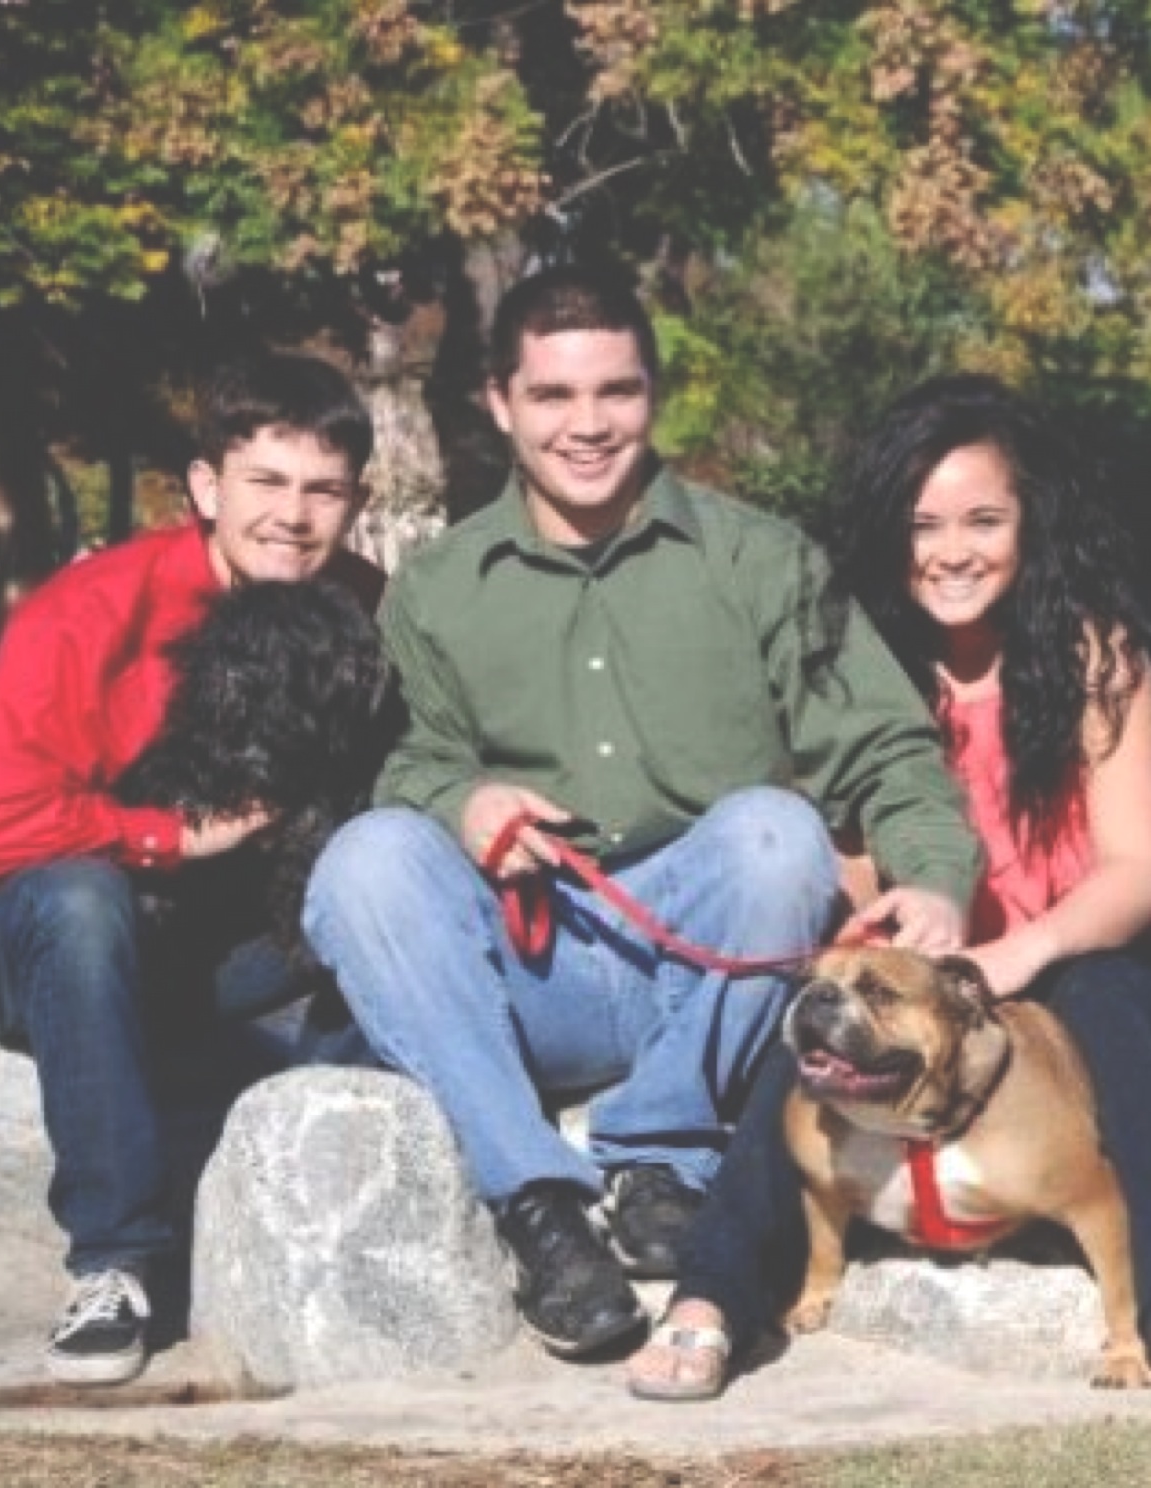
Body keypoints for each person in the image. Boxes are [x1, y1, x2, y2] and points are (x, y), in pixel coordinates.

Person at [301, 263, 979, 1365]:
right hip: (527, 966)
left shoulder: (760, 559)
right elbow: (402, 763)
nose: (587, 424)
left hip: (709, 969)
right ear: (501, 404)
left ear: (651, 395)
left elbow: (888, 748)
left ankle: (664, 1158)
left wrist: (937, 882)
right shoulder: (438, 587)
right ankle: (539, 1205)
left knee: (775, 831)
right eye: (554, 395)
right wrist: (463, 799)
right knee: (364, 862)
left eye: (614, 391)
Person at [624, 374, 1151, 1407]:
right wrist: (865, 925)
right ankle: (709, 1300)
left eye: (983, 521)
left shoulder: (1096, 653)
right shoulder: (857, 666)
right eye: (923, 525)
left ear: (1031, 525)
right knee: (802, 1046)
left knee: (1103, 1010)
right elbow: (848, 852)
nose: (951, 551)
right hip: (930, 978)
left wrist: (1015, 954)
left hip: (1100, 955)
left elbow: (1134, 873)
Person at [0, 353, 383, 1386]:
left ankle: (289, 1184)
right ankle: (116, 1263)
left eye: (322, 490)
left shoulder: (364, 606)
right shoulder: (90, 610)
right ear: (207, 486)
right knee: (81, 899)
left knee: (382, 882)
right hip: (35, 930)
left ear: (354, 502)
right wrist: (169, 836)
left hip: (218, 951)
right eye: (266, 482)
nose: (293, 516)